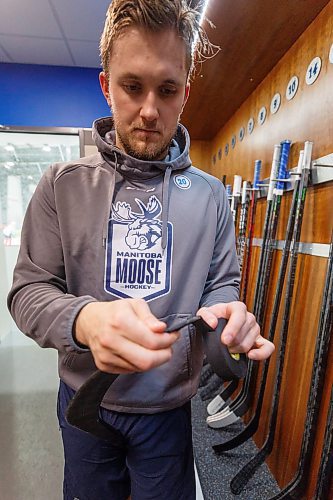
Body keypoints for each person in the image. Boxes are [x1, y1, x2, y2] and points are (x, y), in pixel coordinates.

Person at [8, 1, 274, 499]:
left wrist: (230, 333)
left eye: (167, 90)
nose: (150, 109)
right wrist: (84, 321)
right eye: (132, 86)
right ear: (107, 85)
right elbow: (28, 292)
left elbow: (220, 295)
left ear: (185, 94)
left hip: (168, 412)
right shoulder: (60, 186)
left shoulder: (213, 197)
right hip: (84, 404)